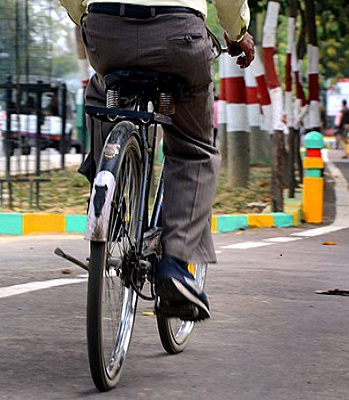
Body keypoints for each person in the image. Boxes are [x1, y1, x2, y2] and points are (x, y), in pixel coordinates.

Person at [62, 0, 255, 320]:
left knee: (101, 93)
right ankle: (175, 264)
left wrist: (84, 16)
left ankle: (107, 191)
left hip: (107, 35)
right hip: (178, 39)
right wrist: (237, 32)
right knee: (194, 149)